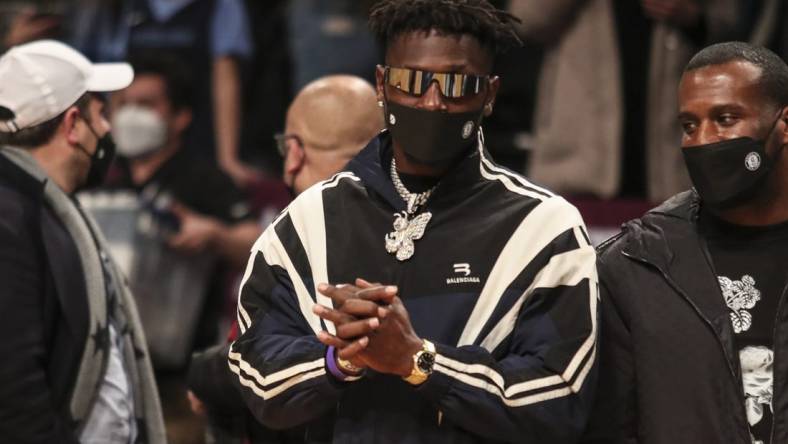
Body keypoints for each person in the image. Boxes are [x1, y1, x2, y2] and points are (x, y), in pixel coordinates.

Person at [229, 1, 599, 443]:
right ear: (383, 83)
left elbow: (558, 401)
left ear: (490, 95)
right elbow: (256, 375)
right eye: (413, 81)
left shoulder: (545, 230)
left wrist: (419, 361)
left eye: (457, 84)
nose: (433, 101)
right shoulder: (309, 221)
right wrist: (342, 359)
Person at [583, 42, 788, 443]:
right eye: (689, 125)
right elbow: (609, 427)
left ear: (783, 125)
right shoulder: (633, 264)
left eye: (725, 119)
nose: (701, 140)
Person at [187, 74, 384, 444]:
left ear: (294, 153)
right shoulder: (413, 228)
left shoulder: (288, 240)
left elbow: (249, 365)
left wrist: (204, 375)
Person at [0, 40, 165, 443]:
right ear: (73, 124)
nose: (108, 128)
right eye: (99, 112)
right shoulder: (11, 217)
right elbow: (13, 383)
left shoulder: (47, 209)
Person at [508, 0, 771, 201]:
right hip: (578, 170)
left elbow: (739, 36)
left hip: (673, 170)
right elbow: (525, 19)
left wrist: (694, 19)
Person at [68, 0, 258, 186]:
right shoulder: (129, 7)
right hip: (140, 145)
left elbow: (225, 78)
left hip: (197, 132)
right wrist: (110, 145)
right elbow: (118, 75)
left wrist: (227, 157)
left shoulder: (221, 5)